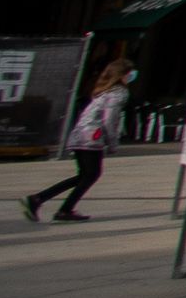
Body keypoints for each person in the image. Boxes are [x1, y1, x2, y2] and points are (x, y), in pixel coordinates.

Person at [23, 59, 130, 224]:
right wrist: (113, 142)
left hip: (80, 134)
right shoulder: (119, 92)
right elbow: (109, 119)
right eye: (130, 73)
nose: (132, 76)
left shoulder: (104, 91)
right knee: (91, 174)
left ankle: (40, 200)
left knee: (84, 175)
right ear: (122, 75)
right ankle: (60, 207)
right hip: (93, 137)